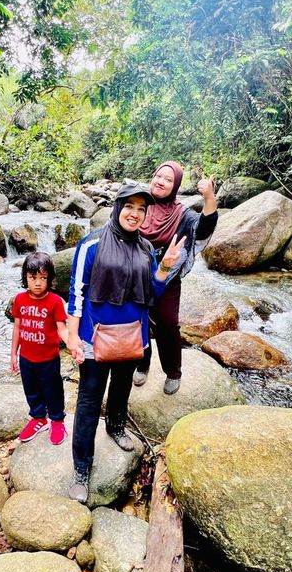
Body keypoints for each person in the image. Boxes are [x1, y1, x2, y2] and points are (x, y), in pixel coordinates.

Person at [66, 183, 186, 502]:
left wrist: (165, 267)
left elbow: (152, 293)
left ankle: (116, 427)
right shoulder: (91, 244)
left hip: (132, 335)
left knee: (120, 389)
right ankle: (81, 468)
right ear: (117, 207)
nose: (135, 213)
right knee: (90, 402)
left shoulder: (146, 249)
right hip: (94, 337)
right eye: (129, 206)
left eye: (141, 208)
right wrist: (72, 336)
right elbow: (76, 293)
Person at [134, 161, 218, 395]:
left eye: (168, 180)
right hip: (135, 275)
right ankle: (142, 362)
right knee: (138, 320)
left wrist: (209, 198)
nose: (160, 181)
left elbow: (203, 228)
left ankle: (173, 371)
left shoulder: (182, 214)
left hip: (168, 277)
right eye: (158, 176)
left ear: (176, 186)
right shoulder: (139, 204)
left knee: (167, 322)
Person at [10, 251, 69, 446]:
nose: (37, 283)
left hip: (49, 359)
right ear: (25, 277)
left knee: (52, 390)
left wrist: (73, 346)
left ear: (49, 279)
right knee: (31, 390)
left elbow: (62, 329)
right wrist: (13, 354)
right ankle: (38, 418)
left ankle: (57, 420)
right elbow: (17, 327)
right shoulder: (19, 300)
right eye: (32, 277)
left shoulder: (55, 302)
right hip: (26, 358)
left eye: (42, 278)